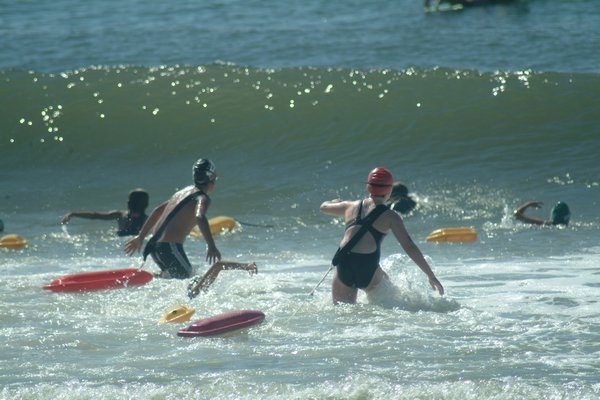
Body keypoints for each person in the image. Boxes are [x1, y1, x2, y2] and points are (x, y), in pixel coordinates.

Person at [320, 167, 444, 304]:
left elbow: (323, 207)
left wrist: (333, 201)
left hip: (344, 264)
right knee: (389, 303)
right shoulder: (391, 216)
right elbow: (409, 246)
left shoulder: (349, 206)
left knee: (342, 317)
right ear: (389, 190)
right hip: (367, 267)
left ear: (368, 188)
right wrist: (431, 275)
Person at [125, 159, 254, 283]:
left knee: (175, 278)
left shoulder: (181, 193)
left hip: (153, 245)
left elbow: (158, 210)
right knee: (188, 281)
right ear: (211, 179)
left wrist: (140, 237)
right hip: (169, 248)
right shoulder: (202, 198)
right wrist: (211, 245)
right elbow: (200, 217)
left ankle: (147, 279)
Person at [61, 189, 149, 236]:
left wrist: (73, 214)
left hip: (121, 240)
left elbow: (96, 216)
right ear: (146, 204)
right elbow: (95, 215)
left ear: (129, 203)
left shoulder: (120, 215)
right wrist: (73, 214)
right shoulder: (149, 219)